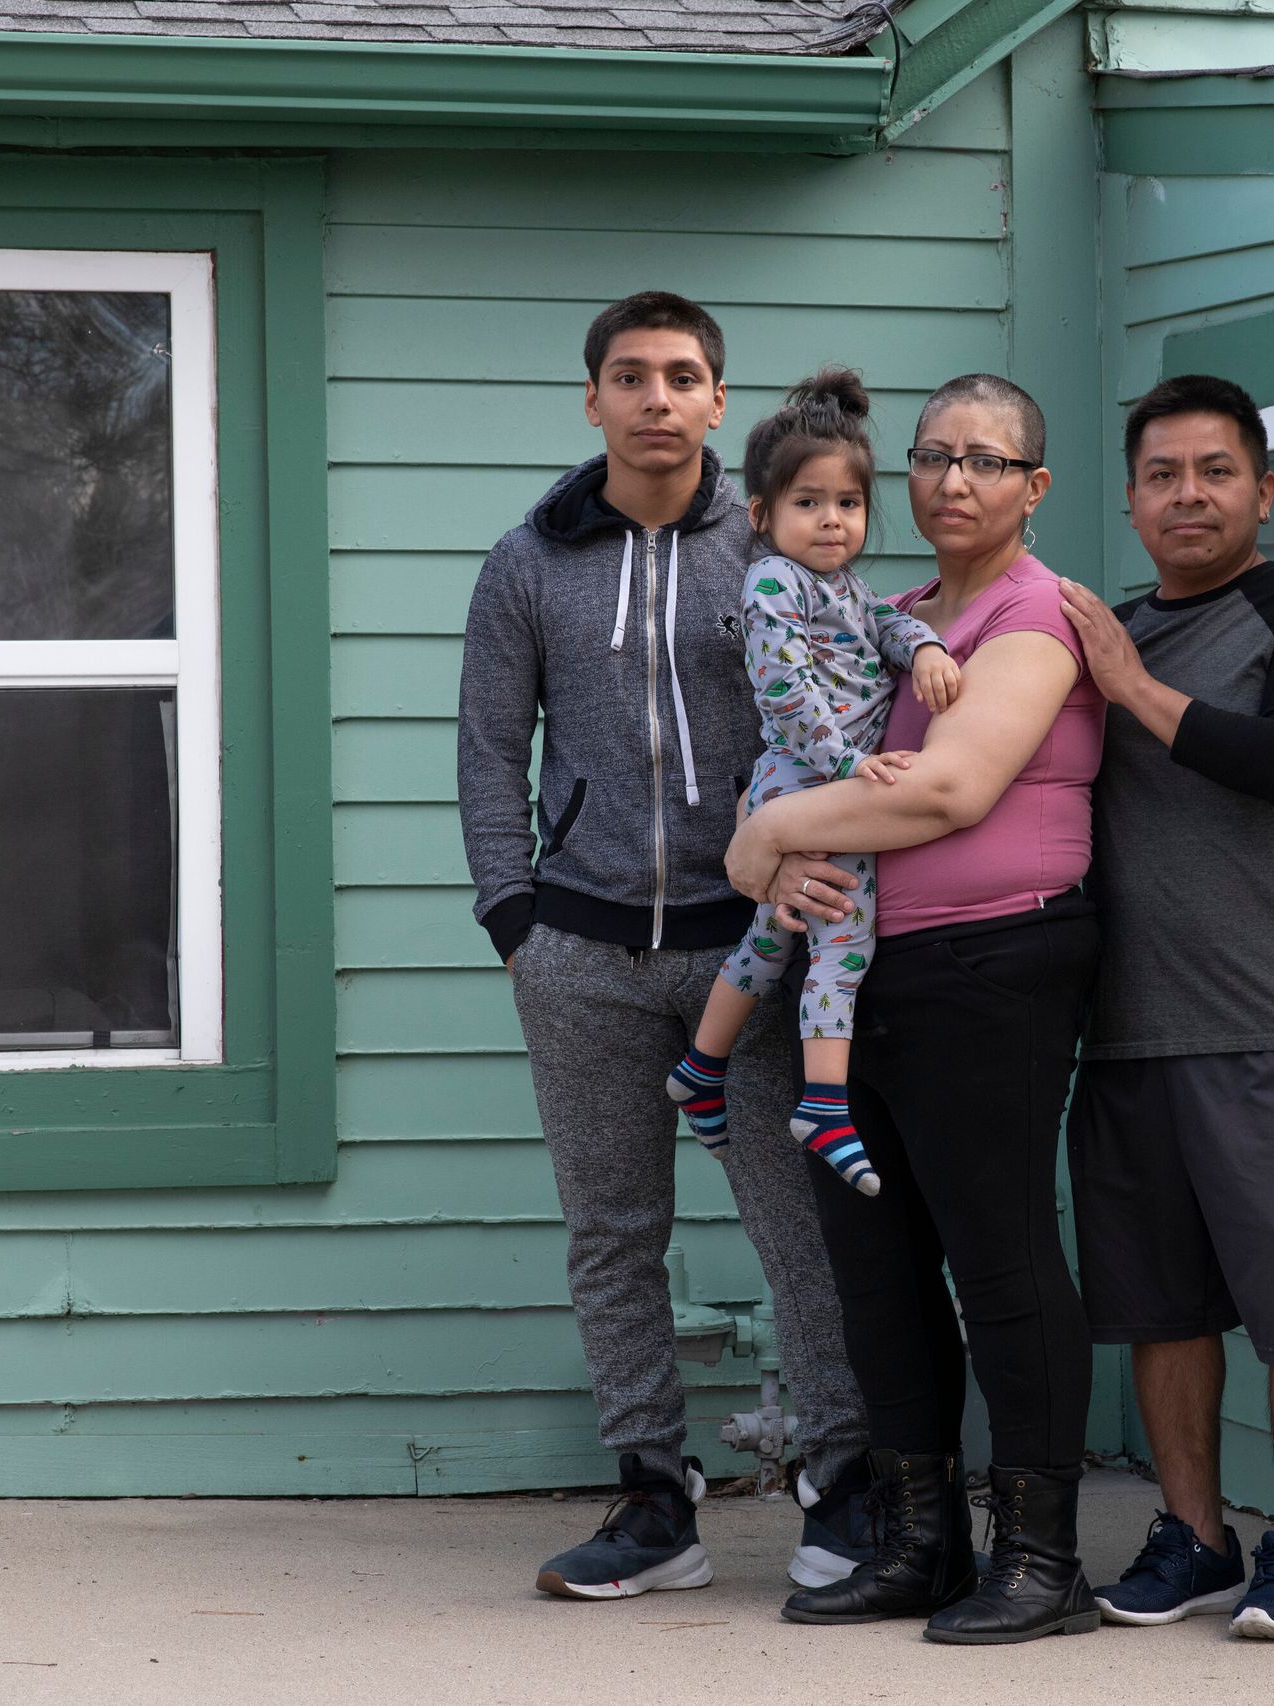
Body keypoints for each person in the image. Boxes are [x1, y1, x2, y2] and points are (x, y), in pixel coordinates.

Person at [457, 292, 873, 1601]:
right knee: (611, 1231)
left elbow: (836, 708)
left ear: (715, 402)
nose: (654, 397)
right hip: (577, 953)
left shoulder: (765, 553)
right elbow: (486, 749)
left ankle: (842, 1480)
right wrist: (512, 919)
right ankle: (654, 1495)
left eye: (681, 376)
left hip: (745, 948)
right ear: (594, 400)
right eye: (628, 375)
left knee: (792, 1217)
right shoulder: (528, 560)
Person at [725, 373, 1107, 1646]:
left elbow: (944, 792)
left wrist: (768, 837)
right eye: (935, 456)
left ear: (1032, 488)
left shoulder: (1030, 616)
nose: (954, 480)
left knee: (997, 1257)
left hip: (995, 968)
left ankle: (1042, 1556)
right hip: (862, 974)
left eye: (987, 461)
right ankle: (918, 1538)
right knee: (875, 1273)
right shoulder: (878, 616)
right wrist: (761, 852)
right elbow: (772, 800)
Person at [1055, 373, 1274, 1642]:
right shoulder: (1103, 636)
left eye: (1213, 471)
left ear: (1262, 488)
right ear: (1132, 500)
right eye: (1161, 475)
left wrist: (1131, 686)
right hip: (1130, 1022)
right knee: (1159, 1302)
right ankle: (1193, 1535)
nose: (1187, 494)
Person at [666, 368, 961, 1199]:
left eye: (848, 504)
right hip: (808, 783)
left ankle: (700, 1067)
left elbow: (892, 621)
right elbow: (783, 684)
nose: (832, 520)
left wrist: (927, 648)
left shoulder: (846, 590)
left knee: (769, 941)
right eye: (808, 502)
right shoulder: (771, 583)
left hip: (814, 788)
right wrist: (846, 767)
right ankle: (824, 1105)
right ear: (761, 516)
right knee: (845, 941)